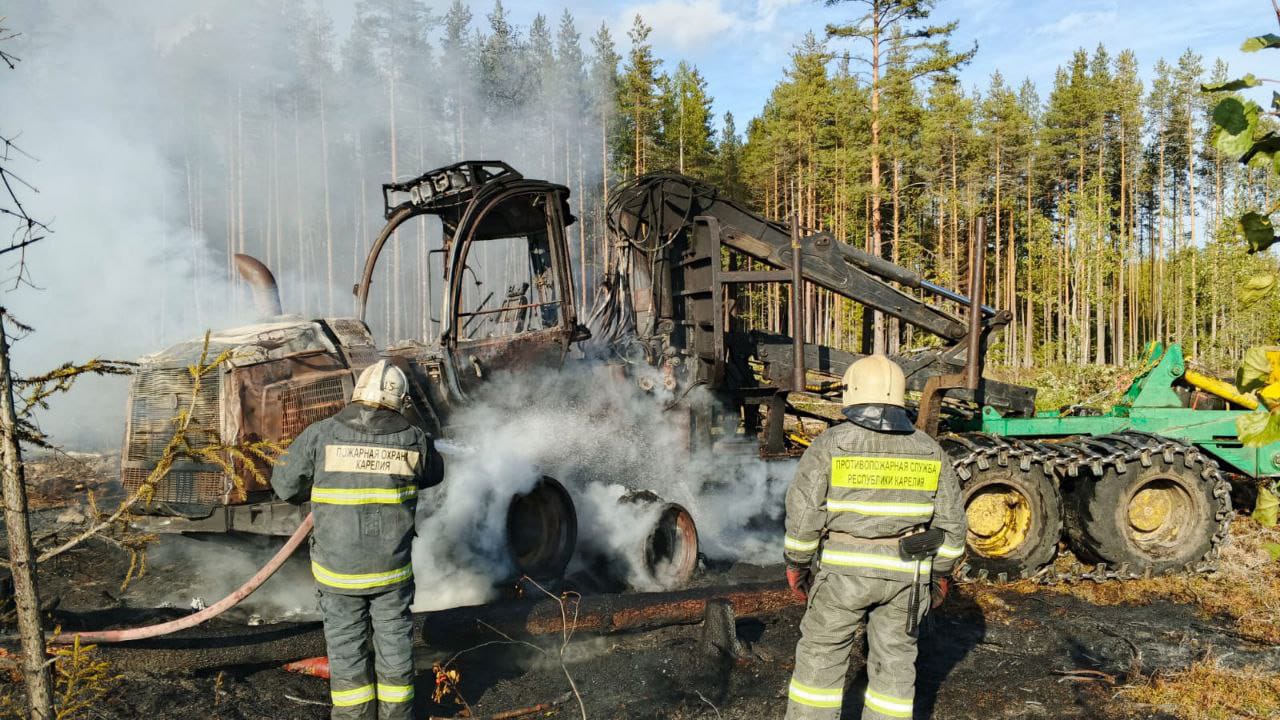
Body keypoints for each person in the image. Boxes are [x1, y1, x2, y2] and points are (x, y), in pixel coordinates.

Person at [782, 354, 966, 720]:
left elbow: (804, 516)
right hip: (907, 577)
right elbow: (953, 528)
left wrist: (796, 564)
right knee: (895, 664)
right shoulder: (930, 450)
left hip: (841, 577)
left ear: (852, 394)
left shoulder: (831, 443)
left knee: (820, 658)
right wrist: (940, 575)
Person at [272, 360, 444, 720]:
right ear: (401, 400)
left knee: (346, 648)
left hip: (338, 572)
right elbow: (433, 475)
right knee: (395, 641)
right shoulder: (414, 439)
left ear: (357, 394)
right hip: (390, 572)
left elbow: (285, 486)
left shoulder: (319, 434)